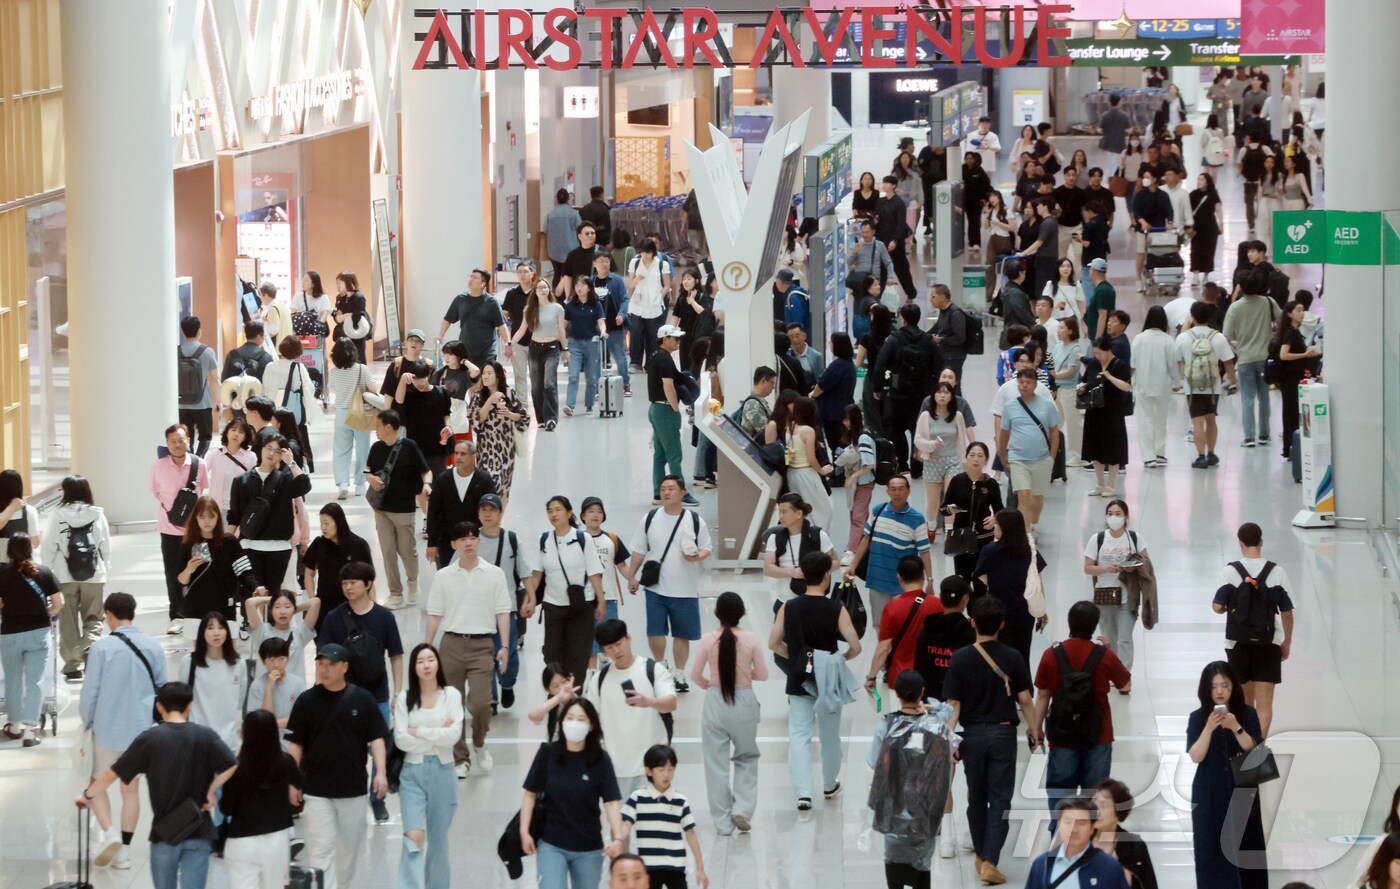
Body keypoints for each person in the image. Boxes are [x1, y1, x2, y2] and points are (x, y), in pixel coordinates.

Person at [78, 682, 236, 889]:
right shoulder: (205, 735)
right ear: (190, 706)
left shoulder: (150, 738)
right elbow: (231, 764)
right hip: (199, 829)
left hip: (165, 834)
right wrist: (211, 791)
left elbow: (112, 774)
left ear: (159, 706)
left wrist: (87, 795)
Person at [943, 595, 1041, 886]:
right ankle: (989, 860)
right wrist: (1035, 729)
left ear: (972, 622)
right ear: (1002, 624)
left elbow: (953, 705)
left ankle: (981, 854)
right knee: (1000, 799)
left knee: (976, 796)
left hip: (971, 735)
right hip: (1003, 735)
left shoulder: (960, 658)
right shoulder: (1012, 657)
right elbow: (1025, 699)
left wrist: (948, 739)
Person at [287, 643, 391, 889]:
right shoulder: (306, 701)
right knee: (320, 849)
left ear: (345, 667)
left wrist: (381, 772)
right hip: (316, 790)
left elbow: (377, 738)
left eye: (331, 664)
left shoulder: (363, 699)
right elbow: (295, 745)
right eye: (320, 664)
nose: (324, 669)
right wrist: (292, 780)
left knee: (348, 852)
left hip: (353, 789)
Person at [769, 552, 863, 811]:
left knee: (799, 734)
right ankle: (829, 784)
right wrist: (837, 659)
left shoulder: (788, 607)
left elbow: (773, 643)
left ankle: (803, 793)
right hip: (828, 680)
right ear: (826, 576)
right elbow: (856, 646)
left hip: (799, 679)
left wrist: (797, 659)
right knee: (830, 735)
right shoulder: (836, 608)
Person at [1032, 602, 1131, 827]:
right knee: (1095, 794)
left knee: (1061, 791)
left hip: (1062, 734)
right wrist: (1109, 649)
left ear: (1070, 623)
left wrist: (1036, 728)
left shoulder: (1052, 654)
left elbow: (1043, 695)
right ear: (1094, 626)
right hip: (1098, 734)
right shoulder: (1104, 655)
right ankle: (1090, 841)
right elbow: (1125, 684)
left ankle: (1060, 837)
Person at [425, 521, 512, 777]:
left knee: (482, 703)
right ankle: (460, 758)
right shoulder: (443, 576)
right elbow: (434, 614)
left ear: (479, 541)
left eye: (473, 538)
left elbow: (503, 612)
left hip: (482, 644)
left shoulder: (494, 574)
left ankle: (480, 743)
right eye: (462, 539)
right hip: (451, 644)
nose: (469, 543)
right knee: (452, 705)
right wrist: (427, 647)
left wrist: (505, 646)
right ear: (454, 544)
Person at [520, 697, 626, 889]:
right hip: (551, 844)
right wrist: (524, 831)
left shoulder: (601, 759)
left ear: (591, 726)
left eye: (581, 719)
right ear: (561, 722)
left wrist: (618, 837)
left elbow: (611, 802)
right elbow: (530, 794)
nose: (574, 723)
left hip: (589, 847)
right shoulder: (547, 753)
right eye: (569, 718)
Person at [688, 592, 765, 835]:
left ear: (716, 613)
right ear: (742, 613)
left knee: (715, 763)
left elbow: (694, 675)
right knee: (747, 756)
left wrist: (707, 684)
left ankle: (722, 823)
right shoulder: (751, 639)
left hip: (715, 701)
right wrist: (747, 673)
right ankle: (742, 808)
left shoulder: (708, 640)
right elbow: (763, 674)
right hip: (744, 702)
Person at [1187, 661, 1267, 889]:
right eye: (1214, 687)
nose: (1220, 691)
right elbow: (1196, 756)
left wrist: (1235, 727)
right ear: (1206, 689)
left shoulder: (1247, 714)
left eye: (1225, 685)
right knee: (1210, 848)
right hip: (1209, 793)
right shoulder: (1198, 717)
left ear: (1233, 686)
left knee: (1247, 846)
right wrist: (1208, 728)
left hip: (1242, 791)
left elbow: (1255, 750)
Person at [627, 476, 712, 690]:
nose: (666, 492)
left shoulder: (694, 520)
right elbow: (639, 550)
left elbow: (707, 547)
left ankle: (680, 673)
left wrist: (697, 557)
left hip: (686, 588)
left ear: (682, 493)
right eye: (663, 488)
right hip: (656, 587)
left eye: (671, 488)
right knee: (655, 630)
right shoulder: (650, 518)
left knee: (682, 634)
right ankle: (660, 665)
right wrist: (631, 576)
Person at [1212, 522, 1295, 738]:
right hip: (1268, 643)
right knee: (1264, 704)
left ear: (1240, 543)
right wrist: (1286, 641)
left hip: (1237, 644)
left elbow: (1217, 607)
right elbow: (1287, 612)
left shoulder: (1229, 572)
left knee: (1244, 704)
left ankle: (1243, 746)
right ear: (1261, 542)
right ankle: (1257, 749)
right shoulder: (1276, 572)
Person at [394, 643, 464, 889]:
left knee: (438, 842)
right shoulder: (405, 699)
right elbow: (401, 739)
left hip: (443, 773)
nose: (426, 665)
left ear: (438, 663)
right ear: (414, 667)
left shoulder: (451, 695)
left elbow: (453, 736)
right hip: (411, 774)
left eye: (431, 659)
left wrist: (419, 731)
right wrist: (437, 733)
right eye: (420, 661)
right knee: (413, 836)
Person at [585, 620, 679, 799]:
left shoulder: (652, 670)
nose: (616, 651)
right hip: (615, 768)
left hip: (652, 767)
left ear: (628, 638)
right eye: (610, 647)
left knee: (652, 816)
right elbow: (589, 719)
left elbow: (671, 703)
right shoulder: (599, 680)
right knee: (619, 817)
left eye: (619, 644)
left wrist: (649, 702)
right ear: (604, 650)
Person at [525, 495, 607, 684]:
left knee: (578, 655)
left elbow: (594, 572)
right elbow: (537, 573)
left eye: (558, 510)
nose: (554, 514)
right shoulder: (544, 539)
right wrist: (530, 599)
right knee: (552, 654)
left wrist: (601, 601)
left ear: (569, 513)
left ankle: (574, 693)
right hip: (553, 605)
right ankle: (556, 692)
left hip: (581, 605)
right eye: (550, 511)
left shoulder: (583, 539)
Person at [219, 709, 302, 889]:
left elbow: (227, 807)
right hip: (277, 839)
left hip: (242, 840)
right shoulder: (286, 762)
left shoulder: (235, 767)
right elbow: (299, 795)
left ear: (245, 733)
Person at [40, 475, 109, 682]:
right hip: (94, 575)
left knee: (67, 620)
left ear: (67, 492)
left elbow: (48, 547)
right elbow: (105, 546)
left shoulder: (57, 515)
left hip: (64, 576)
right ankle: (89, 647)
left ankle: (72, 666)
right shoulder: (97, 514)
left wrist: (47, 574)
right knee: (94, 618)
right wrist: (105, 568)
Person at [227, 433, 311, 597]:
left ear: (282, 455)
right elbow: (234, 516)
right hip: (249, 545)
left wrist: (292, 462)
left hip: (279, 548)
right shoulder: (241, 481)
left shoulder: (286, 480)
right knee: (251, 596)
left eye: (277, 451)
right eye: (268, 448)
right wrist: (227, 544)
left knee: (274, 597)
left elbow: (305, 485)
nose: (271, 453)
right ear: (261, 449)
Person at [844, 475, 933, 627]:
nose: (897, 493)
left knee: (903, 624)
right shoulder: (878, 511)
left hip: (904, 583)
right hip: (877, 580)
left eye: (901, 489)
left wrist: (930, 581)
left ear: (908, 492)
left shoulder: (917, 519)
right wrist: (853, 566)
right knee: (880, 624)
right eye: (893, 489)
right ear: (888, 492)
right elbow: (865, 540)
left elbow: (924, 552)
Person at [364, 409, 432, 606]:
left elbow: (426, 471)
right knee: (387, 552)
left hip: (404, 509)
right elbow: (367, 471)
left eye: (378, 425)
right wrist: (371, 479)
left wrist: (427, 485)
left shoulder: (409, 446)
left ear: (388, 427)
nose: (375, 429)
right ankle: (395, 593)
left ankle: (413, 581)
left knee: (407, 551)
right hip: (381, 509)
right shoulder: (376, 448)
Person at [0, 534, 62, 745]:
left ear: (9, 551)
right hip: (38, 634)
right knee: (35, 681)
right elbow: (59, 602)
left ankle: (14, 726)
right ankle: (30, 731)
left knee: (13, 680)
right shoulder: (43, 572)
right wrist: (47, 613)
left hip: (10, 634)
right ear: (30, 549)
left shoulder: (2, 574)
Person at [619, 745, 709, 889]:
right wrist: (618, 842)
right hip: (648, 867)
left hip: (676, 867)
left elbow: (691, 834)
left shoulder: (680, 800)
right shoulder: (637, 798)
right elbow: (625, 826)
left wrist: (700, 867)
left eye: (670, 769)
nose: (666, 775)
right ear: (649, 771)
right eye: (661, 770)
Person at [152, 423, 209, 635]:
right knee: (173, 573)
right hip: (168, 530)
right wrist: (175, 513)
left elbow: (203, 492)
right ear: (167, 444)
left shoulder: (199, 464)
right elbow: (156, 492)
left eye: (181, 440)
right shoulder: (158, 466)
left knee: (199, 570)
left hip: (196, 531)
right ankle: (176, 614)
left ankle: (197, 610)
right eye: (173, 441)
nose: (177, 445)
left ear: (189, 441)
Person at [874, 304, 943, 474]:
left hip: (898, 392)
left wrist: (877, 387)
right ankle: (917, 466)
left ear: (903, 319)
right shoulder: (928, 340)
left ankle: (902, 463)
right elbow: (939, 367)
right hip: (922, 392)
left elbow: (881, 363)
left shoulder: (894, 339)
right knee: (918, 429)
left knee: (896, 429)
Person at [975, 507, 1047, 667]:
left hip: (997, 614)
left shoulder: (989, 551)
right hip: (1024, 613)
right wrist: (1042, 610)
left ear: (1005, 528)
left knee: (999, 659)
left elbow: (982, 577)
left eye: (997, 525)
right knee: (1023, 656)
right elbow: (1038, 581)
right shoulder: (1030, 551)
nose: (994, 527)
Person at [864, 555, 945, 693]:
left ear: (899, 578)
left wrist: (872, 677)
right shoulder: (938, 605)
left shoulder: (892, 608)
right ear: (923, 575)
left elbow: (883, 647)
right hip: (931, 673)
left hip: (901, 676)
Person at [997, 368, 1060, 533]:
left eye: (1028, 382)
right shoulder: (1009, 407)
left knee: (1037, 498)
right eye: (1021, 382)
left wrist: (1052, 457)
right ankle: (1026, 535)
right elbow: (1004, 433)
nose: (1024, 385)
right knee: (1023, 495)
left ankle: (1033, 523)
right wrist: (1002, 454)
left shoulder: (1047, 405)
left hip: (1042, 458)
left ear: (1035, 384)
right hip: (1018, 458)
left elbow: (1054, 431)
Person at [1178, 301, 1240, 469]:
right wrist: (1234, 382)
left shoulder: (1184, 338)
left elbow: (1179, 361)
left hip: (1192, 385)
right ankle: (1211, 454)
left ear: (1192, 316)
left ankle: (1200, 457)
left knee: (1197, 422)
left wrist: (1180, 381)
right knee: (1211, 420)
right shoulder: (1218, 337)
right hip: (1213, 385)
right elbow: (1228, 362)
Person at [1023, 797, 1132, 889]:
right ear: (1059, 825)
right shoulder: (1041, 864)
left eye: (1081, 823)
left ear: (1092, 828)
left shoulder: (1109, 867)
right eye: (1068, 822)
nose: (1073, 829)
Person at [180, 612, 247, 753]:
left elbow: (239, 700)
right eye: (210, 628)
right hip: (198, 739)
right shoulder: (190, 662)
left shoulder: (238, 664)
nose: (216, 633)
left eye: (221, 628)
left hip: (228, 741)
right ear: (202, 632)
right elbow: (183, 698)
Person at [426, 439, 499, 568]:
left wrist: (492, 536)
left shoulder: (484, 479)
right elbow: (433, 512)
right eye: (456, 453)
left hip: (476, 541)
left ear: (473, 456)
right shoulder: (443, 479)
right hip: (448, 542)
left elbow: (493, 509)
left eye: (463, 454)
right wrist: (432, 543)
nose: (458, 457)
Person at [939, 442, 1003, 589]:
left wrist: (995, 519)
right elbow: (943, 508)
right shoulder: (957, 480)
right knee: (962, 581)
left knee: (981, 581)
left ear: (986, 460)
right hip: (961, 538)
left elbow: (1000, 510)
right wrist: (950, 510)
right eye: (972, 455)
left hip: (984, 538)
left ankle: (979, 604)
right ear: (966, 457)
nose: (975, 459)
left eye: (980, 456)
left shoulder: (991, 484)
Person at [646, 327, 696, 506]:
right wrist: (675, 409)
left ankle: (658, 493)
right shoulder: (665, 360)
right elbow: (668, 386)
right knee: (674, 454)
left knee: (660, 455)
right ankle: (680, 493)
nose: (678, 342)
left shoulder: (654, 356)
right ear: (665, 339)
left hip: (655, 409)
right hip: (665, 410)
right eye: (675, 338)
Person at [1079, 335, 1133, 496]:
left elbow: (1126, 387)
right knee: (1095, 447)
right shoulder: (1094, 364)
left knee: (1113, 448)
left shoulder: (1119, 365)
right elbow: (1086, 381)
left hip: (1112, 412)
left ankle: (1111, 485)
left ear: (1108, 350)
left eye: (1100, 353)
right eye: (1095, 353)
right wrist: (1082, 388)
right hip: (1094, 410)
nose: (1097, 356)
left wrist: (1109, 377)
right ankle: (1100, 484)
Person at [763, 493, 837, 605]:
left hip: (815, 602)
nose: (781, 517)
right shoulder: (775, 538)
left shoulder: (818, 535)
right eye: (780, 512)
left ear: (798, 514)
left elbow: (835, 563)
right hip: (785, 602)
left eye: (784, 512)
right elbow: (768, 569)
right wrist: (791, 572)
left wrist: (815, 570)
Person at [302, 501, 373, 615]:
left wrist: (372, 609)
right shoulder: (319, 544)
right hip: (324, 605)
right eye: (321, 523)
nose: (323, 527)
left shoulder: (358, 545)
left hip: (352, 605)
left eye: (326, 523)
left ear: (338, 522)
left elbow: (369, 581)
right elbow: (309, 574)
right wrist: (313, 600)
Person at [1274, 300, 1322, 460]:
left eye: (1302, 310)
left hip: (1292, 378)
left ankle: (1291, 447)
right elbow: (1283, 355)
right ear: (1289, 313)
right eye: (1298, 310)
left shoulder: (1293, 331)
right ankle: (1291, 448)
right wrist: (1305, 354)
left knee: (1292, 413)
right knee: (1292, 414)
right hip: (1290, 380)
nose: (1302, 313)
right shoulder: (1290, 333)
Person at [1129, 307, 1177, 468]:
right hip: (1163, 385)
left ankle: (1148, 456)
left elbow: (1133, 363)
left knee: (1145, 420)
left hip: (1143, 384)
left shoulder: (1139, 339)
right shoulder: (1168, 340)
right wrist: (1177, 383)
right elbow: (1173, 365)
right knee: (1161, 419)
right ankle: (1159, 453)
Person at [518, 278, 568, 430]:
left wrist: (565, 349)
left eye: (545, 287)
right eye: (539, 287)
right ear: (535, 291)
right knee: (536, 386)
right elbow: (522, 329)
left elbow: (561, 329)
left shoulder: (557, 308)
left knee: (549, 384)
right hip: (535, 348)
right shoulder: (529, 309)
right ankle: (540, 418)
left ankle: (551, 418)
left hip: (552, 348)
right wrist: (509, 344)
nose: (543, 290)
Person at [1091, 778, 1159, 889]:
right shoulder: (1078, 842)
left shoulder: (1134, 847)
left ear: (1118, 812)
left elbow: (1149, 885)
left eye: (1103, 806)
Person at [440, 269, 512, 368]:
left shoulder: (492, 302)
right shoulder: (460, 299)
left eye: (475, 278)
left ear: (483, 284)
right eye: (471, 276)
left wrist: (508, 344)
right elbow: (448, 319)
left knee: (485, 376)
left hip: (487, 352)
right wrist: (441, 335)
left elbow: (501, 325)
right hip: (465, 351)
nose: (471, 279)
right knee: (467, 377)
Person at [915, 381, 969, 506]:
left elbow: (961, 441)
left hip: (952, 461)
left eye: (946, 393)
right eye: (939, 392)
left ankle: (950, 520)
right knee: (933, 503)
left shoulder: (957, 416)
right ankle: (933, 520)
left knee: (951, 501)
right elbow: (917, 439)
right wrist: (931, 444)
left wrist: (964, 463)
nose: (942, 395)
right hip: (932, 461)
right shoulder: (925, 416)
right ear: (934, 395)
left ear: (951, 396)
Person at [177, 315, 223, 456]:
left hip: (182, 403)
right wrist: (218, 401)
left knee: (186, 436)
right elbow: (214, 379)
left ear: (183, 332)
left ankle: (188, 459)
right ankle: (199, 460)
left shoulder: (176, 351)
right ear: (199, 331)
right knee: (205, 436)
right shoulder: (207, 351)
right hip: (202, 402)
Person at [564, 274, 609, 416]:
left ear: (589, 288)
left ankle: (589, 404)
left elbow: (601, 322)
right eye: (577, 285)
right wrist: (562, 342)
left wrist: (603, 331)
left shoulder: (596, 305)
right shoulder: (570, 306)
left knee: (591, 377)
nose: (579, 288)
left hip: (592, 342)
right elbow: (564, 325)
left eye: (583, 285)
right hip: (574, 343)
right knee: (573, 376)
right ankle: (570, 405)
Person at [627, 239, 674, 369]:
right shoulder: (635, 262)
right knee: (636, 332)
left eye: (648, 252)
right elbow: (630, 284)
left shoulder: (662, 264)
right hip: (637, 304)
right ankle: (635, 362)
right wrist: (637, 279)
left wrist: (659, 297)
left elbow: (667, 285)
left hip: (654, 304)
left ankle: (651, 363)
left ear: (653, 252)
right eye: (643, 252)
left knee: (653, 335)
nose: (645, 255)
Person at [593, 253, 633, 396]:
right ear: (594, 264)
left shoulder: (616, 280)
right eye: (601, 261)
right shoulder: (591, 282)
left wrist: (622, 314)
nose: (604, 264)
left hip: (614, 326)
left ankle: (626, 384)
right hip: (595, 329)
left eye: (606, 261)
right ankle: (596, 386)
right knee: (596, 359)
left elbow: (624, 299)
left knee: (620, 357)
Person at [1129, 170, 1173, 292]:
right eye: (1144, 177)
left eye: (1148, 177)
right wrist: (1142, 222)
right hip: (1143, 230)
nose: (1145, 179)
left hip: (1158, 229)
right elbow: (1136, 212)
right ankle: (1138, 278)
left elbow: (1169, 210)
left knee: (1157, 254)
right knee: (1141, 252)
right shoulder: (1140, 195)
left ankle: (1156, 275)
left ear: (1154, 179)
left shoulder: (1163, 195)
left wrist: (1170, 222)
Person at [876, 174, 917, 301]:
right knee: (881, 269)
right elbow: (876, 217)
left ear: (893, 186)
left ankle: (911, 293)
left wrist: (895, 240)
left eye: (887, 183)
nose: (884, 185)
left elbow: (901, 224)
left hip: (895, 242)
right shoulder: (880, 201)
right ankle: (880, 294)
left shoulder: (899, 203)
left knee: (901, 269)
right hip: (882, 239)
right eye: (883, 182)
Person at [1050, 318, 1085, 465]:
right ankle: (1055, 452)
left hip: (1069, 390)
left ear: (1070, 331)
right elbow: (1052, 364)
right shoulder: (1058, 346)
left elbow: (1071, 371)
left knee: (1073, 424)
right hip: (1057, 390)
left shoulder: (1075, 349)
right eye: (1058, 328)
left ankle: (1079, 455)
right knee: (1055, 423)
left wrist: (1055, 376)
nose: (1058, 331)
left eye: (1062, 328)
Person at [1189, 172, 1225, 287]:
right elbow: (1188, 210)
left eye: (1202, 180)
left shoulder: (1213, 195)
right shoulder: (1193, 194)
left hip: (1210, 227)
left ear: (1207, 182)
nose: (1199, 182)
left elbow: (1218, 209)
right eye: (1198, 179)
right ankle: (1195, 275)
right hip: (1196, 227)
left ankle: (1206, 276)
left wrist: (1221, 223)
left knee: (1209, 251)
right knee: (1195, 250)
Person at [546, 188, 583, 285]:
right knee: (568, 275)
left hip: (553, 251)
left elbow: (545, 229)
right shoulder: (574, 214)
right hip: (571, 249)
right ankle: (566, 293)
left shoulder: (550, 214)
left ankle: (555, 292)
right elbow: (581, 229)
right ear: (568, 199)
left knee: (557, 273)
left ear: (557, 199)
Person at [332, 271, 371, 363]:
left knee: (358, 357)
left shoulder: (358, 297)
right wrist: (346, 315)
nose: (337, 286)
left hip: (356, 333)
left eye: (339, 283)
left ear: (348, 282)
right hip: (343, 334)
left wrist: (343, 316)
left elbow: (356, 317)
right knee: (343, 359)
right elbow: (337, 318)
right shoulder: (340, 298)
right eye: (336, 283)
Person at [848, 219, 895, 291]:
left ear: (873, 232)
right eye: (863, 232)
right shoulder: (855, 245)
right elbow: (848, 263)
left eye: (867, 232)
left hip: (874, 283)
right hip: (860, 282)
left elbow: (888, 263)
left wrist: (890, 277)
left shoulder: (880, 245)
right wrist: (854, 252)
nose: (865, 235)